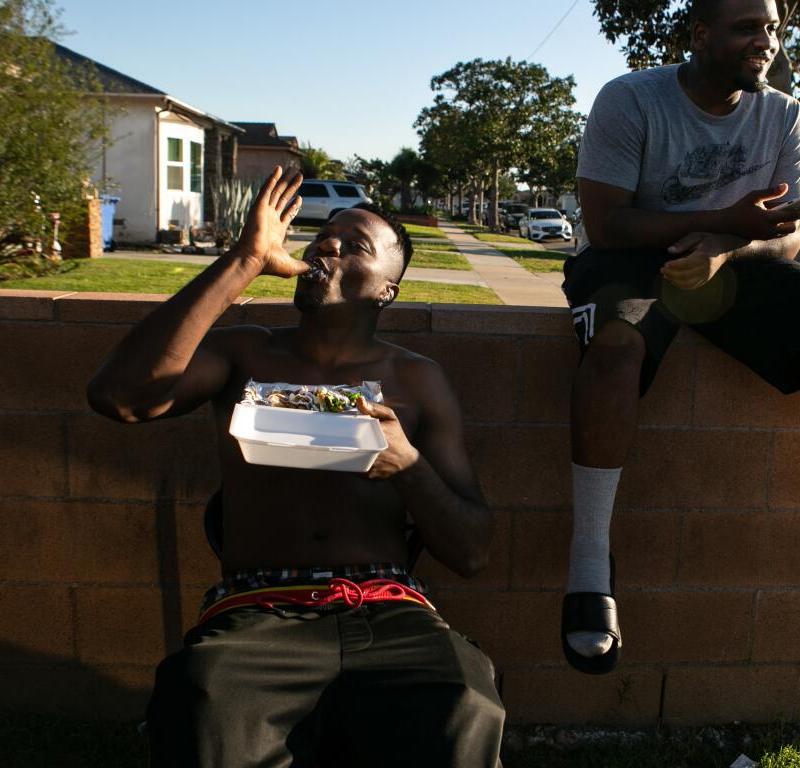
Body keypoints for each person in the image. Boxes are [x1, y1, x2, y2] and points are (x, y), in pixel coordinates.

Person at [559, 0, 800, 676]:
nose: (766, 43)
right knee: (614, 345)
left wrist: (727, 250)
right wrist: (721, 223)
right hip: (628, 262)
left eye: (773, 29)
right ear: (700, 37)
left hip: (734, 265)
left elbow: (790, 234)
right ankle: (588, 560)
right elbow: (607, 224)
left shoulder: (784, 114)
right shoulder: (629, 98)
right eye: (747, 29)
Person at [87, 167, 504, 766]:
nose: (326, 244)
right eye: (322, 237)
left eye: (354, 244)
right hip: (260, 613)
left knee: (467, 702)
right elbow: (119, 397)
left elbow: (471, 552)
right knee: (204, 702)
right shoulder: (245, 353)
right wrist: (243, 261)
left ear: (388, 287)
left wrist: (408, 465)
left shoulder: (418, 381)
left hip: (388, 610)